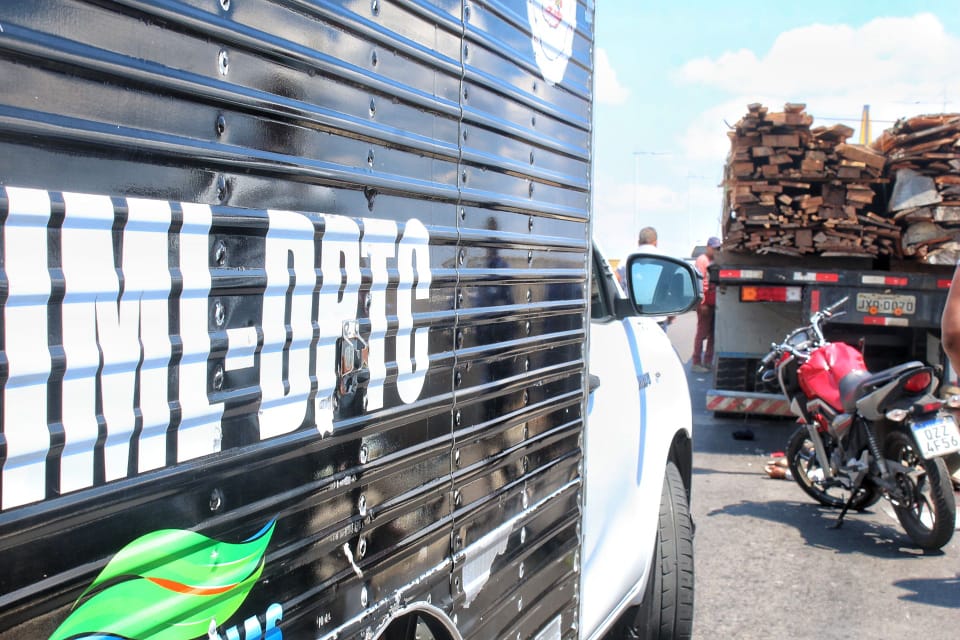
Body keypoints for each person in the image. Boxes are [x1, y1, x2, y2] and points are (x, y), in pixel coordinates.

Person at [691, 236, 721, 373]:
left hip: (714, 303)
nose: (716, 250)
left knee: (712, 334)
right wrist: (702, 303)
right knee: (702, 333)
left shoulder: (715, 261)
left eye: (718, 248)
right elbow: (700, 284)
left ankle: (708, 361)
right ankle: (696, 362)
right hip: (705, 304)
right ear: (708, 247)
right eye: (714, 248)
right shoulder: (702, 260)